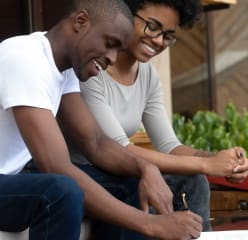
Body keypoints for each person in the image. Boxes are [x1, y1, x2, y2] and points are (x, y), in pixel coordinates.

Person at [0, 0, 205, 240]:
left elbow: (96, 142)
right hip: (10, 179)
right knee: (61, 191)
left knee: (130, 185)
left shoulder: (63, 68)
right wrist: (150, 224)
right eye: (110, 44)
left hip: (12, 178)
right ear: (80, 22)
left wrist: (145, 168)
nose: (112, 58)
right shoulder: (25, 57)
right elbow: (56, 166)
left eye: (118, 50)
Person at [75, 0, 248, 236]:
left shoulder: (148, 76)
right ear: (126, 14)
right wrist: (207, 164)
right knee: (134, 185)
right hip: (81, 173)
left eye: (167, 35)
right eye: (152, 26)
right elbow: (119, 149)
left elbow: (169, 146)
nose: (158, 41)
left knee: (193, 181)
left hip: (122, 170)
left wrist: (220, 160)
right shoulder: (93, 68)